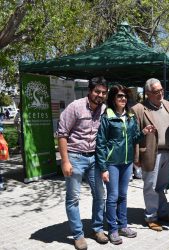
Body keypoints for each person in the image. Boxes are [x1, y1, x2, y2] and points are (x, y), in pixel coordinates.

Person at [96, 85, 154, 244]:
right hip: (112, 162)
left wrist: (143, 132)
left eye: (125, 96)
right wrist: (103, 168)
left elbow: (134, 138)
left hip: (127, 162)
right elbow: (100, 143)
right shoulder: (106, 117)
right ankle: (112, 229)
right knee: (113, 196)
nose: (123, 99)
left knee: (123, 195)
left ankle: (123, 225)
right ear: (113, 99)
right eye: (119, 96)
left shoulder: (130, 116)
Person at [56, 77, 109, 250]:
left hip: (94, 158)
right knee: (73, 198)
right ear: (90, 91)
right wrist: (65, 161)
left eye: (103, 92)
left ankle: (97, 228)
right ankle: (78, 235)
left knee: (100, 195)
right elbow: (62, 134)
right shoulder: (75, 107)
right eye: (97, 91)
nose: (100, 95)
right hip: (75, 157)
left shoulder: (103, 110)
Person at [131, 78, 169, 232]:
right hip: (151, 153)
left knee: (162, 186)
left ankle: (162, 213)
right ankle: (151, 217)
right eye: (156, 92)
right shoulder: (138, 109)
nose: (161, 93)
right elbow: (134, 136)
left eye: (161, 90)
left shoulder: (168, 105)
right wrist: (136, 158)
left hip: (168, 152)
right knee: (150, 186)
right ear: (148, 93)